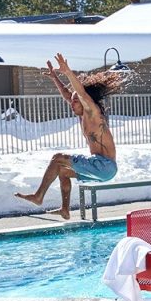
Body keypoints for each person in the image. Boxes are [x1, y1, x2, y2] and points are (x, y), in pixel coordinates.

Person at [15, 53, 122, 219]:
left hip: (104, 166)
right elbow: (68, 94)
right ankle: (65, 209)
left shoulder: (93, 113)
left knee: (58, 157)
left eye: (75, 101)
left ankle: (38, 196)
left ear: (85, 101)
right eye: (72, 101)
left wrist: (68, 72)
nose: (71, 104)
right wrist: (55, 78)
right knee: (63, 171)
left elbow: (81, 94)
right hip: (101, 169)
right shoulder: (82, 115)